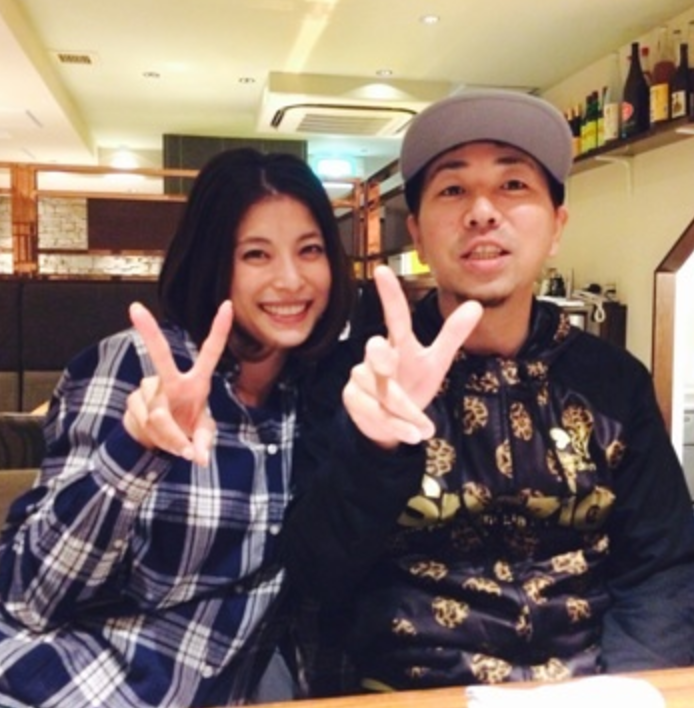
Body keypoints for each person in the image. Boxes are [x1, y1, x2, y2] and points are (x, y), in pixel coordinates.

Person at [283, 89, 694, 695]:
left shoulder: (613, 383)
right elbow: (314, 577)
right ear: (418, 234)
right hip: (409, 690)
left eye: (513, 185)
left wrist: (630, 688)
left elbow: (662, 567)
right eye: (453, 189)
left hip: (590, 687)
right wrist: (375, 452)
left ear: (556, 227)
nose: (482, 211)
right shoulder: (361, 379)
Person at [0, 147, 353, 708]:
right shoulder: (137, 366)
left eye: (309, 250)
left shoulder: (315, 397)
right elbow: (25, 597)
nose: (291, 279)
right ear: (213, 263)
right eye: (256, 254)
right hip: (62, 686)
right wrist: (134, 453)